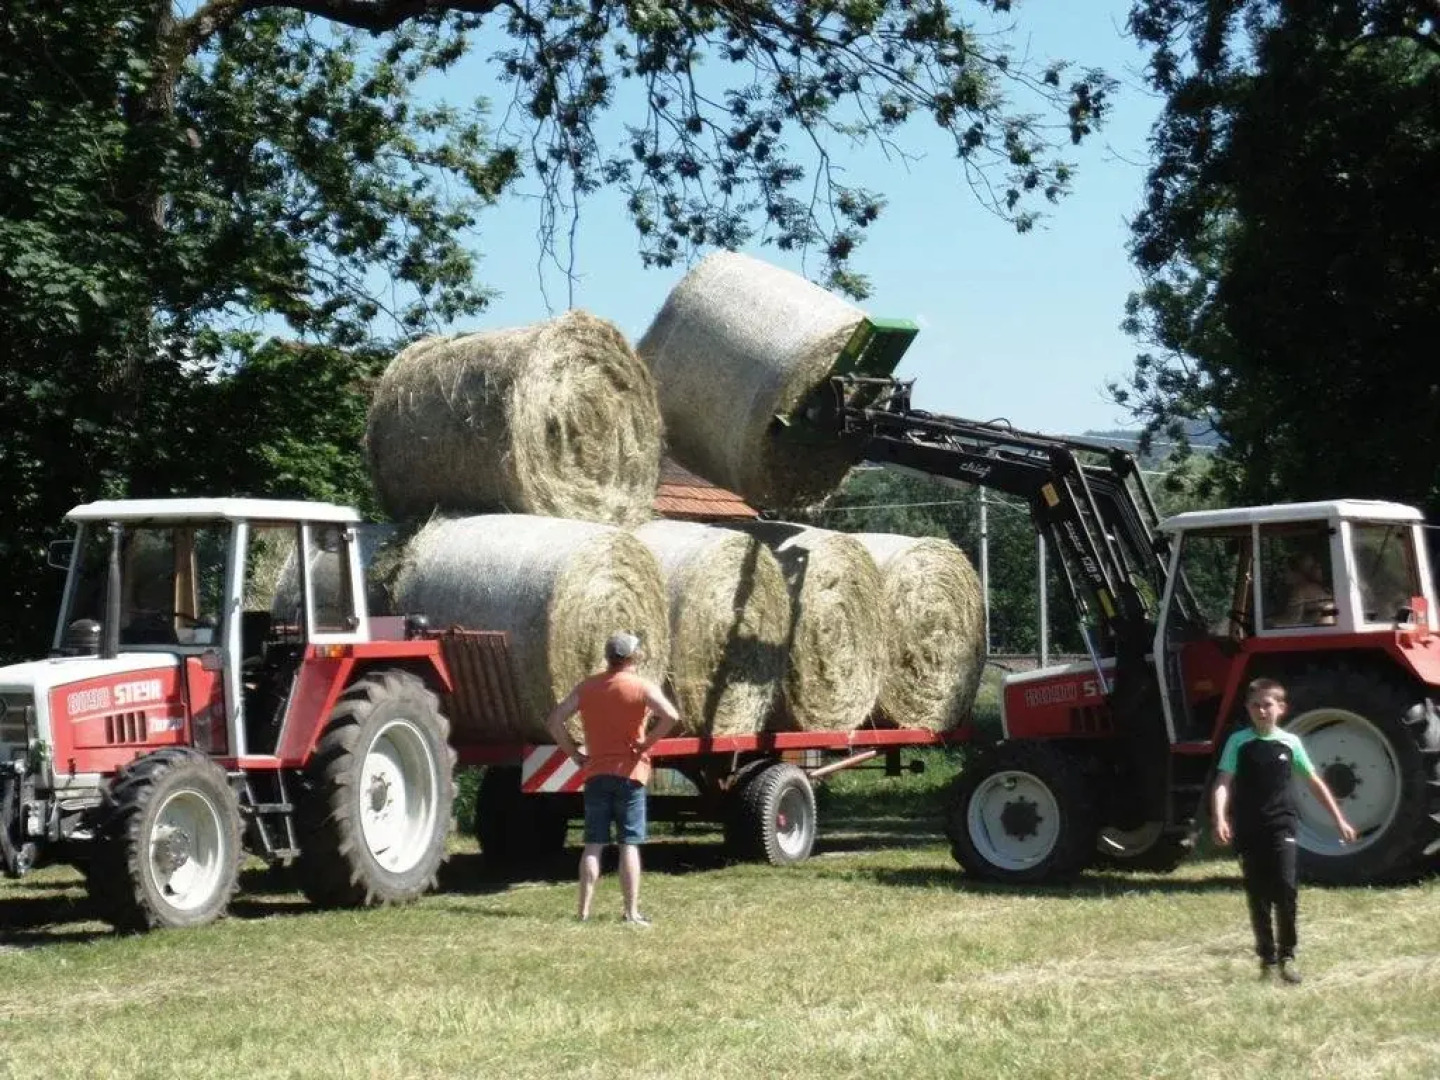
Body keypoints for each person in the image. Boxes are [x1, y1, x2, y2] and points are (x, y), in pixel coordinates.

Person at [1211, 677, 1357, 983]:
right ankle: (1267, 957)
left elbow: (1314, 782)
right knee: (1258, 894)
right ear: (1248, 708)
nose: (1261, 711)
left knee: (1286, 889)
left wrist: (1339, 819)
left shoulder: (1291, 743)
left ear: (1281, 708)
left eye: (1267, 705)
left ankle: (1288, 956)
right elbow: (1223, 782)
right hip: (1250, 827)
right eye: (1255, 705)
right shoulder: (1239, 742)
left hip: (1283, 825)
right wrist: (1220, 818)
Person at [543, 631, 680, 926]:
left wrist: (574, 755)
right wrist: (646, 744)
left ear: (608, 657)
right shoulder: (641, 686)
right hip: (631, 774)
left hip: (596, 774)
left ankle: (582, 912)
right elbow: (671, 716)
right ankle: (631, 913)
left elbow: (553, 721)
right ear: (633, 657)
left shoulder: (588, 688)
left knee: (593, 844)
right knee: (629, 843)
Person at [1268, 552, 1336, 627]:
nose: (1284, 575)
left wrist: (1266, 622)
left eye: (1286, 570)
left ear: (1297, 572)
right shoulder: (1320, 588)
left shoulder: (1301, 590)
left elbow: (1292, 620)